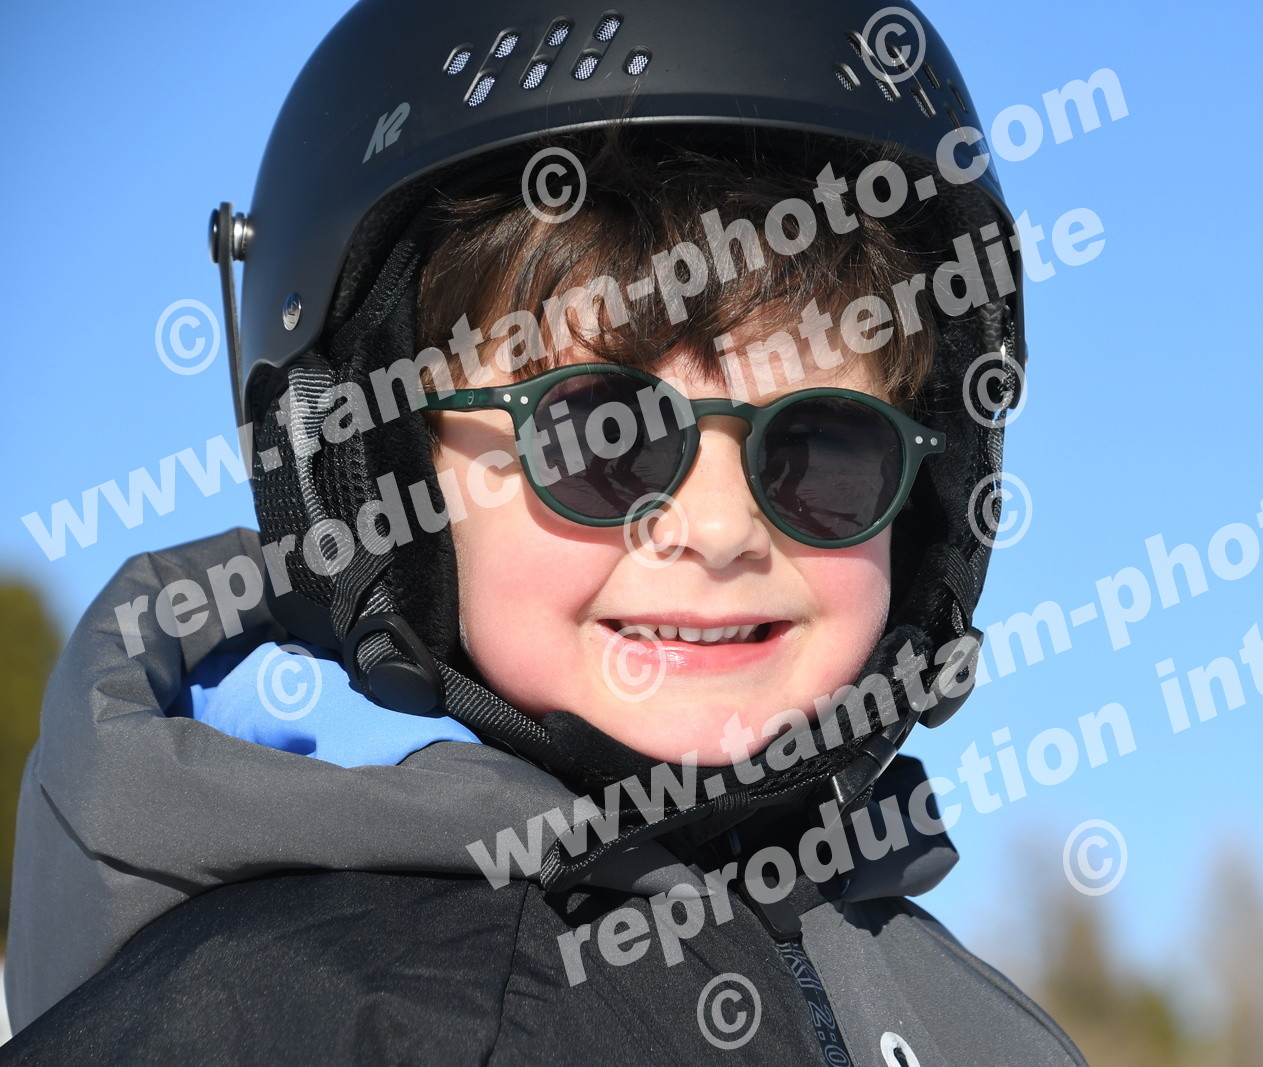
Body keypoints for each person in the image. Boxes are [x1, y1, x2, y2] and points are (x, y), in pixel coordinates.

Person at [3, 0, 1086, 1062]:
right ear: (371, 464)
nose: (720, 528)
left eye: (823, 450)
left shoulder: (977, 1029)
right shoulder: (277, 1015)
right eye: (601, 437)